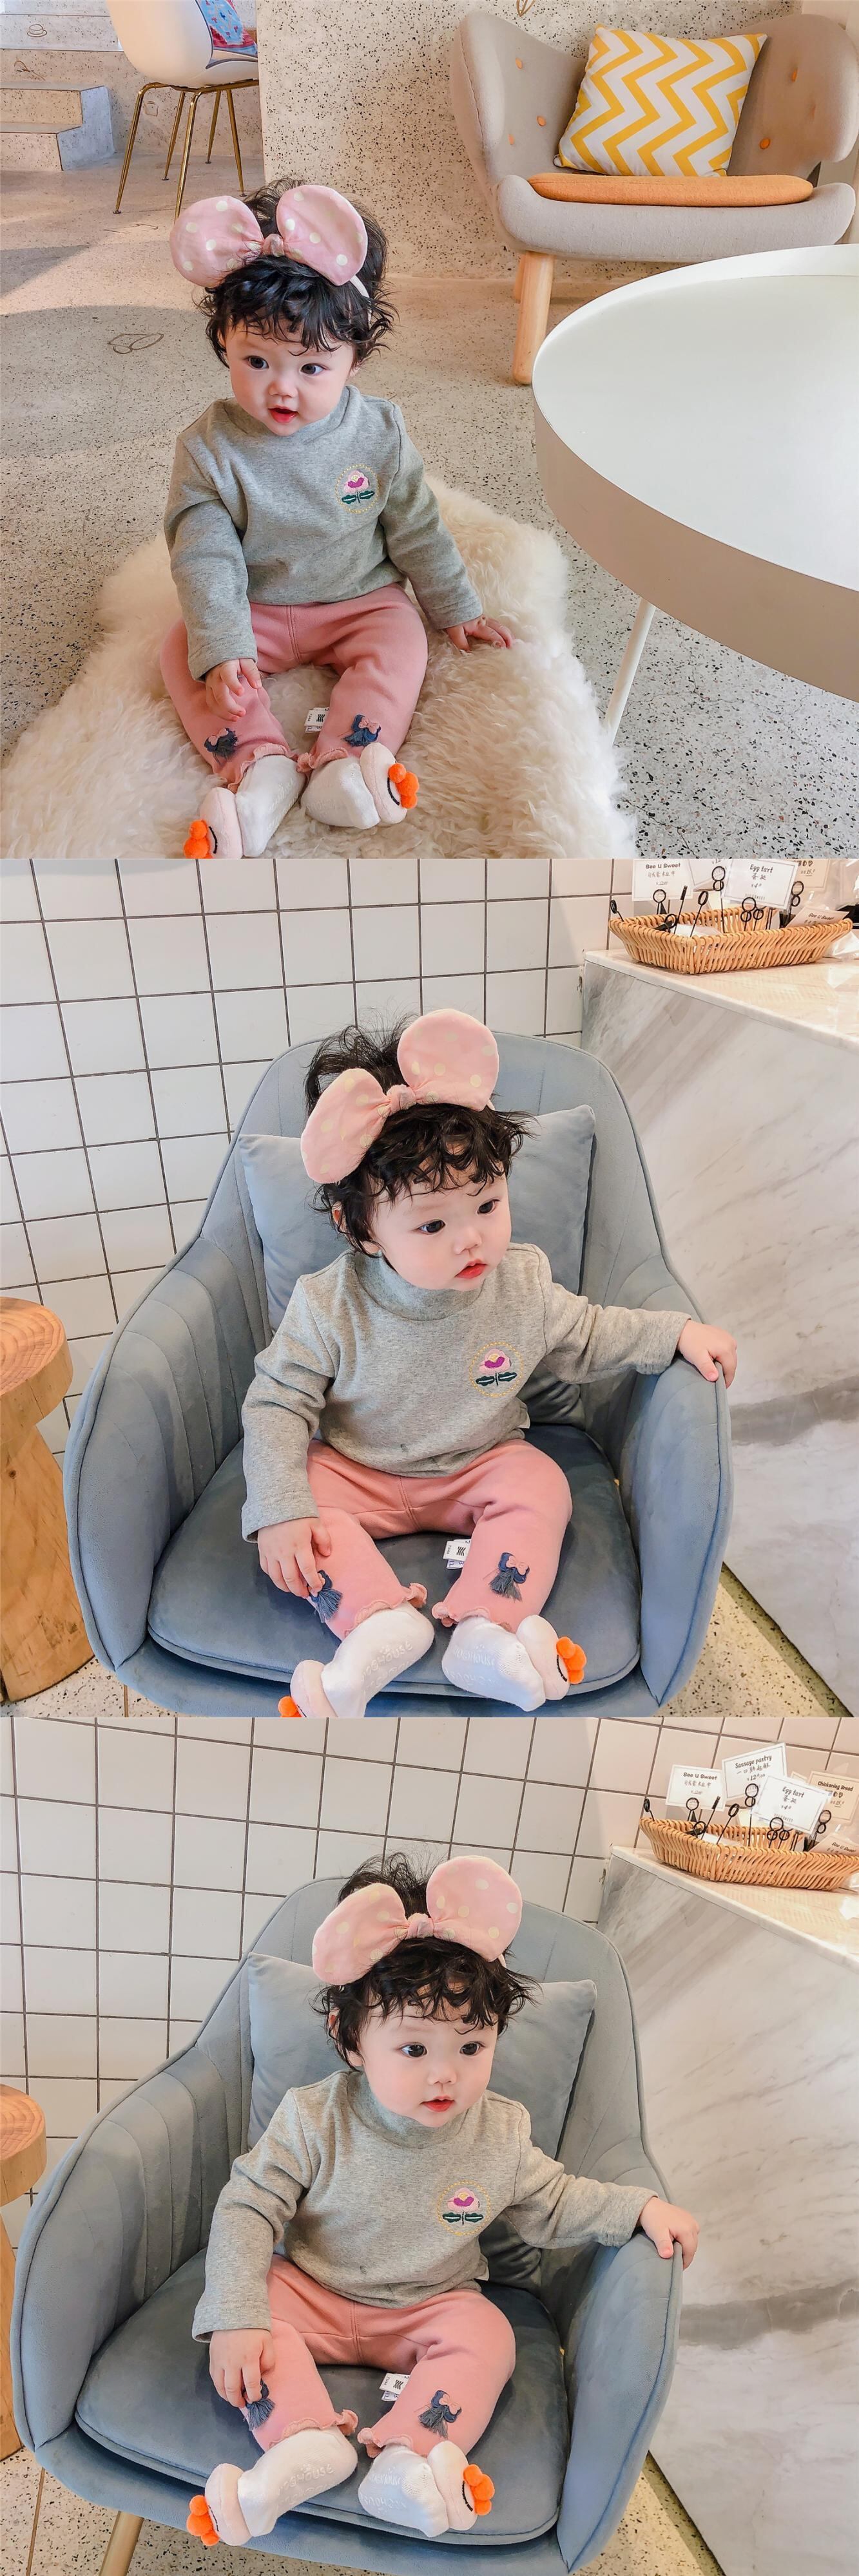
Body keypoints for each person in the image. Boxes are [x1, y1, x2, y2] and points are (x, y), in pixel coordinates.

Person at [188, 1849, 699, 2547]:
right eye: (413, 2050)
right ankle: (302, 2444)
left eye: (470, 2047)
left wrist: (636, 2208)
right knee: (249, 2313)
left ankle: (408, 2461)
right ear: (351, 2041)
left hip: (430, 2306)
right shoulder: (312, 2117)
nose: (445, 2076)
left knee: (488, 2334)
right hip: (312, 2292)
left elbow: (553, 2200)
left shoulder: (499, 2132)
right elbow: (249, 2207)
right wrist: (237, 2314)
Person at [242, 1006, 737, 1721]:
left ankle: (485, 1631)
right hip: (357, 1470)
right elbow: (276, 1402)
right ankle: (378, 1625)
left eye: (487, 1205)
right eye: (432, 1224)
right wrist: (281, 1510)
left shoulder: (521, 1284)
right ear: (361, 1230)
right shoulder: (327, 1304)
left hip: (479, 1464)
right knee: (296, 1511)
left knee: (541, 1484)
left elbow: (589, 1335)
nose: (470, 1240)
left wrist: (676, 1332)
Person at [162, 180, 511, 859]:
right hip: (257, 603)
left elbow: (415, 526)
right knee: (182, 649)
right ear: (224, 343)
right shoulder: (208, 448)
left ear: (355, 359)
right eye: (256, 361)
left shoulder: (379, 433)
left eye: (312, 367)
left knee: (402, 644)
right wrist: (224, 645)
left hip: (359, 598)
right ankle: (256, 765)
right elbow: (203, 555)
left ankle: (347, 763)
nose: (281, 387)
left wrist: (455, 606)